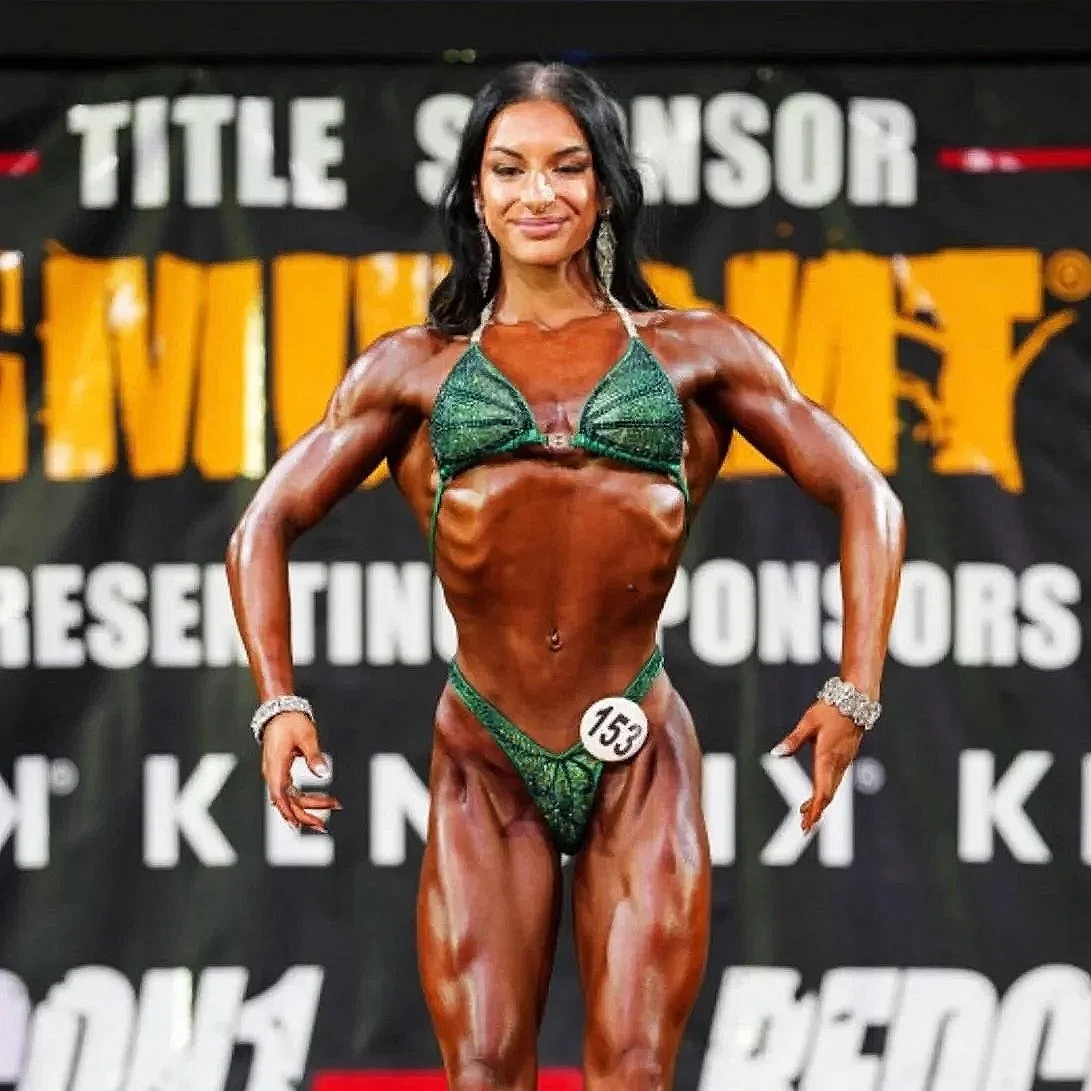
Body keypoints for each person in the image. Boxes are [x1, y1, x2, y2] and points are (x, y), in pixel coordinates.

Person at [226, 62, 905, 1091]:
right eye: (507, 170)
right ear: (475, 194)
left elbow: (867, 495)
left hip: (639, 749)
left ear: (603, 188)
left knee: (632, 1069)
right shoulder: (414, 366)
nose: (536, 194)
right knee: (487, 1069)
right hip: (483, 754)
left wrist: (851, 690)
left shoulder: (695, 352)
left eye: (563, 167)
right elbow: (263, 522)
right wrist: (276, 701)